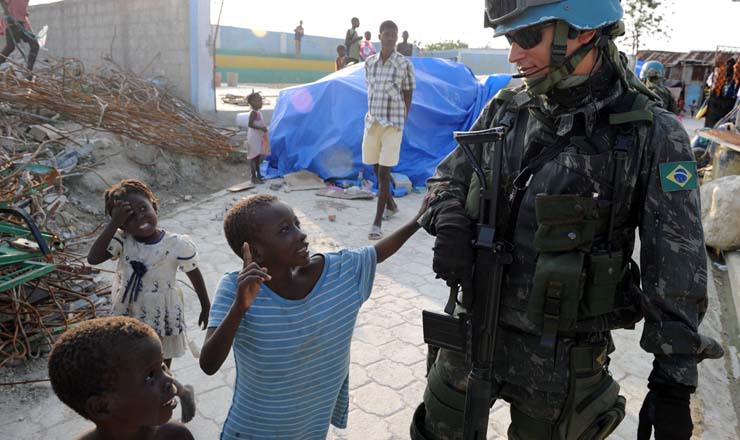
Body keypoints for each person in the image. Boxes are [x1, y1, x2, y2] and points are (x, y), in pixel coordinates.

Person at [410, 1, 724, 439]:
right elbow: (446, 178)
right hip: (472, 331)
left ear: (582, 32)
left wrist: (673, 379)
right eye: (510, 40)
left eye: (526, 38)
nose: (513, 55)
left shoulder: (650, 132)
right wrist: (448, 218)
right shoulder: (508, 109)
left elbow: (677, 261)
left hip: (559, 360)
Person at [199, 192, 436, 439]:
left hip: (311, 428)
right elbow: (209, 363)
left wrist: (416, 221)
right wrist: (239, 308)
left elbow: (377, 253)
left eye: (296, 224)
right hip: (254, 430)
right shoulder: (235, 289)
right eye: (284, 230)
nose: (301, 234)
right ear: (256, 252)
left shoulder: (338, 272)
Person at [87, 179, 211, 423]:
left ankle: (161, 411)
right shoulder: (123, 241)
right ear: (121, 224)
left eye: (144, 209)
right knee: (135, 368)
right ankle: (178, 394)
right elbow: (93, 258)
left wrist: (206, 305)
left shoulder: (176, 244)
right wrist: (114, 223)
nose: (140, 218)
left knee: (159, 370)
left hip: (162, 316)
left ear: (155, 205)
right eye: (129, 216)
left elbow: (194, 273)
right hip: (130, 313)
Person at [48, 316, 194, 440]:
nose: (170, 380)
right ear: (101, 407)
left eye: (162, 366)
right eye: (149, 376)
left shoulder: (174, 435)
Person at [363, 20, 415, 240]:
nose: (390, 38)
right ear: (380, 35)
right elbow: (370, 88)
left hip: (393, 123)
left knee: (384, 172)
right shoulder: (370, 62)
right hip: (373, 121)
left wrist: (404, 117)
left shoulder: (404, 64)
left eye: (393, 34)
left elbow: (408, 92)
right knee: (374, 166)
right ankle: (392, 205)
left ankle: (377, 222)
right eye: (387, 34)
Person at [0, 0, 39, 72]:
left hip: (23, 21)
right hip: (11, 20)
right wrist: (8, 15)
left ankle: (28, 72)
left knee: (35, 45)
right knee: (10, 46)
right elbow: (2, 1)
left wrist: (24, 12)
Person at [246, 92, 270, 183]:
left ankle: (258, 175)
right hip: (253, 139)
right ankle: (253, 177)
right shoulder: (253, 113)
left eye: (261, 100)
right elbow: (250, 124)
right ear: (252, 102)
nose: (261, 102)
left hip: (257, 138)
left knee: (258, 157)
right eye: (259, 100)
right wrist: (261, 128)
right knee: (253, 158)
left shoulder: (258, 112)